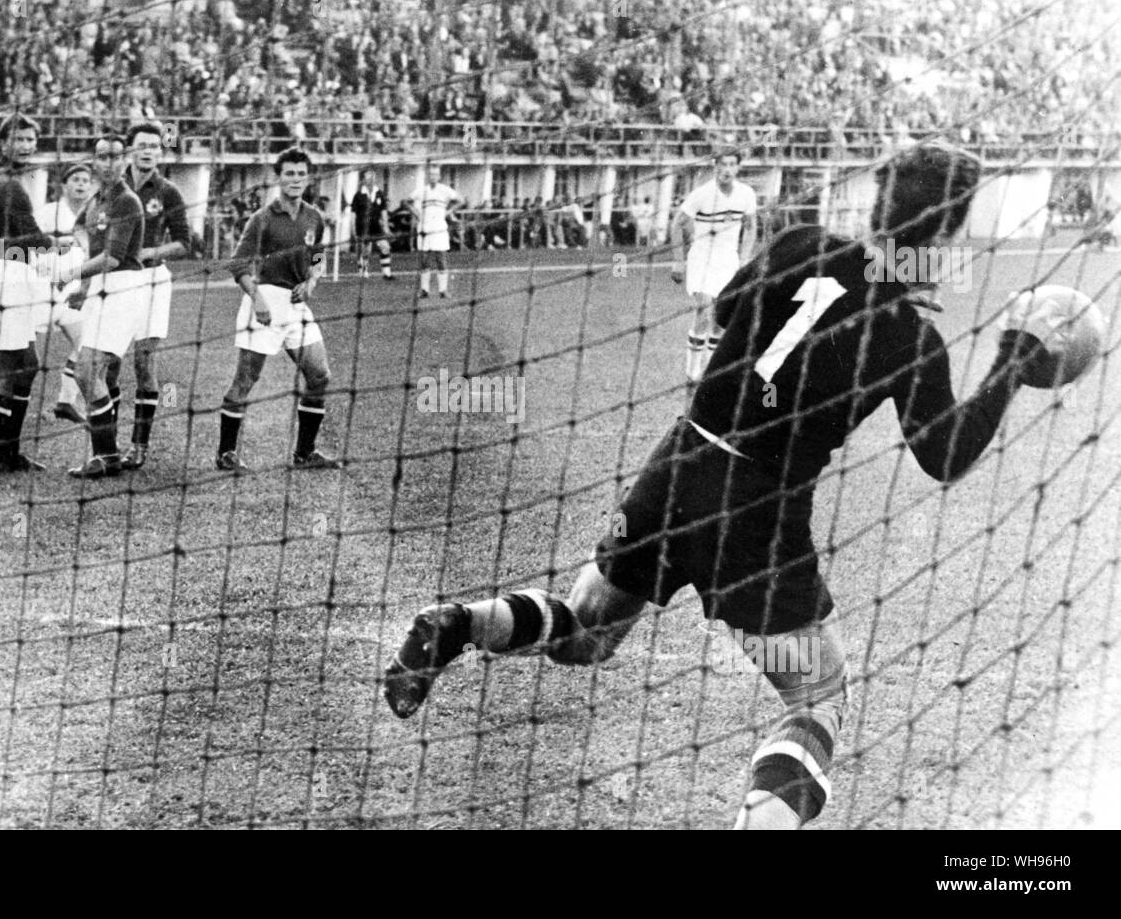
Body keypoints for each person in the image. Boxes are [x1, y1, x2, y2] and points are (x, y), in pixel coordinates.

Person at [382, 143, 1061, 830]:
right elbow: (944, 458)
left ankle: (457, 625)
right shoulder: (910, 338)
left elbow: (732, 305)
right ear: (945, 231)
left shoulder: (800, 243)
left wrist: (851, 282)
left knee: (586, 631)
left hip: (674, 469)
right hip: (757, 512)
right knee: (817, 697)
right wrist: (1010, 364)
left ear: (876, 203)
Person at [0, 113, 75, 472]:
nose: (27, 146)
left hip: (3, 269)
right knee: (8, 369)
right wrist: (60, 241)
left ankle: (6, 452)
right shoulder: (6, 183)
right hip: (3, 272)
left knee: (26, 364)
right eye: (20, 139)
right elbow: (31, 236)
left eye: (31, 139)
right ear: (3, 141)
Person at [217, 148, 339, 473]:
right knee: (246, 380)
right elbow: (238, 263)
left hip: (297, 306)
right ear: (278, 177)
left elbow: (317, 257)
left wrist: (312, 281)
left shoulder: (314, 216)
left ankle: (304, 453)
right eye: (289, 174)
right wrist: (257, 299)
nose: (295, 180)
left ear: (308, 178)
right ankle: (225, 452)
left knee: (319, 376)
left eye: (301, 174)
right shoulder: (263, 219)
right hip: (266, 302)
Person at [58, 133, 145, 479]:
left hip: (123, 287)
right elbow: (83, 231)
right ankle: (107, 455)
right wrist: (83, 287)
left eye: (115, 156)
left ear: (125, 160)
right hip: (101, 290)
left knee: (86, 370)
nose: (108, 163)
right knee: (92, 372)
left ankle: (106, 455)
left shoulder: (126, 201)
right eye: (102, 157)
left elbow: (111, 258)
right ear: (94, 161)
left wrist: (71, 273)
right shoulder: (97, 199)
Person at [117, 121, 192, 470]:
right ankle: (105, 444)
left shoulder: (168, 191)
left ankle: (139, 446)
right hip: (114, 281)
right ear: (129, 149)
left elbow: (185, 243)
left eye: (155, 146)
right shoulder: (113, 189)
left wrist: (147, 253)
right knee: (106, 363)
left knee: (144, 362)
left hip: (150, 281)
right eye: (142, 144)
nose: (148, 150)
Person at [672, 149, 758, 382]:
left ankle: (709, 370)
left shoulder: (746, 194)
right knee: (704, 309)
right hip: (701, 258)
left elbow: (751, 227)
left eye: (732, 164)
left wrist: (744, 259)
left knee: (721, 318)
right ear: (715, 167)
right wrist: (679, 261)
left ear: (738, 167)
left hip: (728, 261)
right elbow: (677, 224)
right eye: (723, 164)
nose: (727, 169)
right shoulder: (702, 194)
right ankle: (692, 372)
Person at [34, 162, 93, 425]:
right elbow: (30, 244)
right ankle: (16, 405)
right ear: (64, 185)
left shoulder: (95, 214)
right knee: (23, 356)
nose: (81, 184)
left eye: (85, 180)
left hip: (73, 293)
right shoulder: (49, 213)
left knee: (85, 344)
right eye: (76, 179)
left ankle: (65, 402)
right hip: (42, 290)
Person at [413, 164, 463, 298]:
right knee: (424, 261)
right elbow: (406, 202)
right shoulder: (421, 191)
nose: (433, 177)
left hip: (440, 230)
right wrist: (417, 214)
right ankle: (424, 290)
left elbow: (460, 200)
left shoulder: (445, 190)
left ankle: (443, 290)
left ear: (439, 176)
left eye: (435, 175)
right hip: (424, 231)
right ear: (427, 176)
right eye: (431, 175)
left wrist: (448, 212)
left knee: (441, 260)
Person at [350, 168, 394, 280]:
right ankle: (363, 271)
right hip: (363, 226)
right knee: (366, 251)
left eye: (373, 177)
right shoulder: (358, 195)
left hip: (376, 226)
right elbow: (353, 214)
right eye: (368, 177)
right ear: (364, 180)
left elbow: (383, 212)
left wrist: (386, 228)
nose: (371, 180)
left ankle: (387, 273)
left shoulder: (379, 193)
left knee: (385, 247)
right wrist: (353, 228)